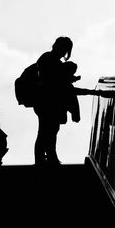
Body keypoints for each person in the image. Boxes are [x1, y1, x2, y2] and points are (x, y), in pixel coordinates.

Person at [33, 36, 74, 165]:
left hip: (45, 101)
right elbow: (53, 81)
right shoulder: (50, 60)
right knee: (47, 130)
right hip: (47, 101)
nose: (63, 51)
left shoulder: (47, 58)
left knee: (49, 130)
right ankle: (46, 158)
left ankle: (48, 157)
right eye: (63, 48)